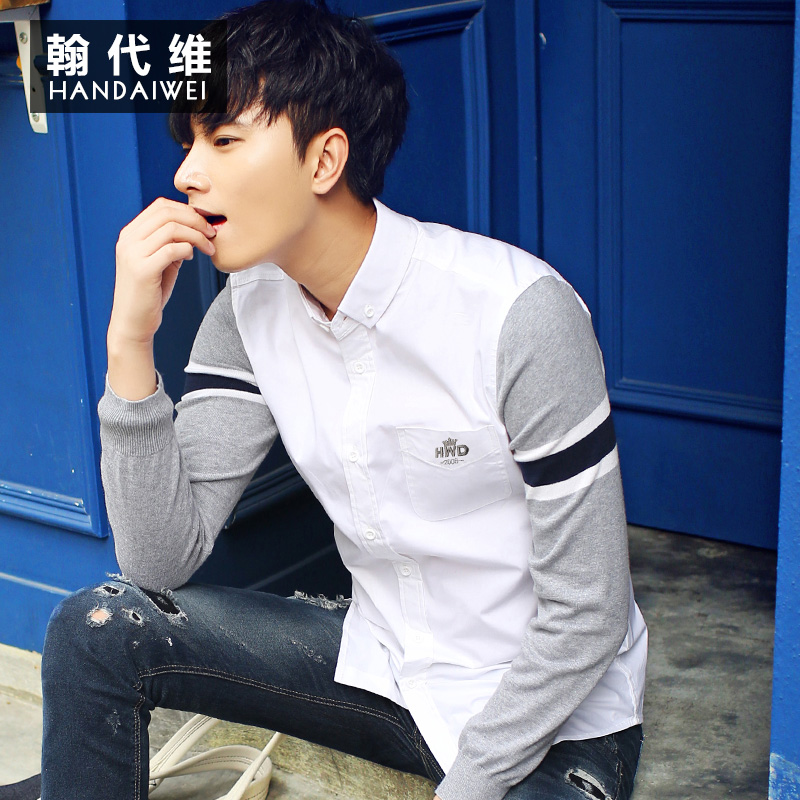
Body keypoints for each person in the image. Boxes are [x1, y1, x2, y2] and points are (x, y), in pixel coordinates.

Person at [3, 1, 647, 798]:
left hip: (551, 721)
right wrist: (129, 344)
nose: (186, 174)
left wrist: (468, 784)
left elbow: (588, 613)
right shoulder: (246, 311)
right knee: (98, 627)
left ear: (324, 160)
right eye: (189, 143)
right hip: (382, 667)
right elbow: (158, 561)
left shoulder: (517, 313)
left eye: (223, 139)